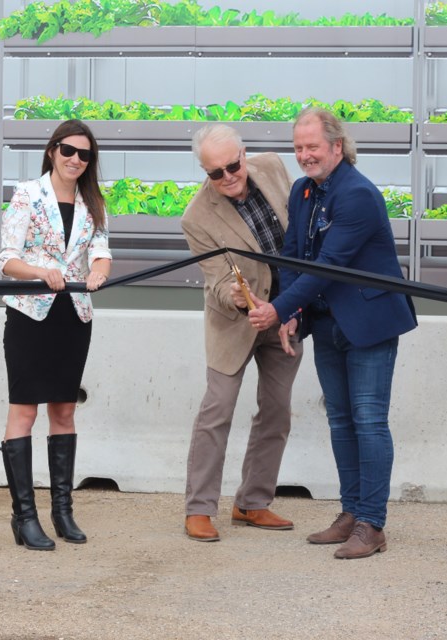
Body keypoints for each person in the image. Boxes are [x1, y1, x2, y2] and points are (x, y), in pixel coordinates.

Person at [243, 107, 417, 559]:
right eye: (299, 148)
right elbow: (295, 256)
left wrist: (277, 311)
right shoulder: (302, 191)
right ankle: (351, 512)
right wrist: (295, 311)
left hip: (369, 324)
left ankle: (372, 524)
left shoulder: (358, 194)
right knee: (340, 420)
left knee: (369, 420)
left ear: (337, 146)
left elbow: (329, 265)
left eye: (312, 147)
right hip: (328, 323)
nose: (304, 156)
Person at [180, 124, 303, 542]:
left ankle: (252, 503)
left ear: (244, 155)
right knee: (216, 412)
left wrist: (294, 307)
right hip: (235, 323)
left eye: (232, 166)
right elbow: (214, 282)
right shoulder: (196, 217)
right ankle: (198, 509)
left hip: (285, 314)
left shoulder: (272, 168)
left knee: (277, 412)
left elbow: (298, 239)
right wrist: (233, 295)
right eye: (215, 173)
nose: (227, 177)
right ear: (204, 172)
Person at [0, 119, 112, 551]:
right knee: (23, 412)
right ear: (52, 150)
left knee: (64, 411)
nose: (75, 160)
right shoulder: (28, 194)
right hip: (30, 314)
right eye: (68, 151)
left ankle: (62, 512)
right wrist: (41, 272)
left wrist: (98, 273)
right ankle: (24, 517)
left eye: (84, 155)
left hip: (73, 316)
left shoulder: (94, 202)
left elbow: (101, 253)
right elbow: (7, 259)